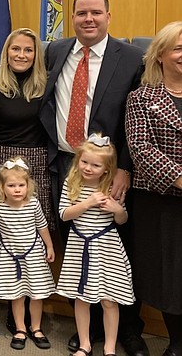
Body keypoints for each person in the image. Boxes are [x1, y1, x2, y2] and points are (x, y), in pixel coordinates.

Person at [40, 0, 149, 356]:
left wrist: (127, 169)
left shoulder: (132, 57)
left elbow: (138, 119)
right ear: (72, 17)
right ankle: (88, 331)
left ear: (108, 16)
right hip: (65, 165)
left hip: (111, 169)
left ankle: (130, 331)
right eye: (81, 13)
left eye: (96, 13)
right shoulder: (55, 51)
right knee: (77, 250)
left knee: (118, 249)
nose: (88, 19)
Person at [0, 28, 52, 334]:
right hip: (5, 165)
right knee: (7, 233)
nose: (21, 55)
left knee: (35, 232)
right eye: (15, 49)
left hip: (38, 165)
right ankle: (14, 306)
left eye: (28, 50)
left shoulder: (45, 86)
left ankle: (37, 305)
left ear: (36, 55)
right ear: (6, 53)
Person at [126, 20, 182, 356]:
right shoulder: (142, 97)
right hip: (160, 200)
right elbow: (140, 149)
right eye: (177, 47)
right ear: (159, 54)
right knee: (167, 274)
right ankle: (176, 342)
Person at [56, 134, 135, 356]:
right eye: (84, 162)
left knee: (109, 300)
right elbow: (64, 214)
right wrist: (88, 202)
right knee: (81, 298)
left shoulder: (111, 186)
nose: (88, 168)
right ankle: (85, 344)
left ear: (107, 168)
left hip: (106, 248)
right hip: (79, 247)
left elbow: (122, 219)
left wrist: (117, 209)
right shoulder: (71, 183)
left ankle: (110, 347)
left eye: (95, 165)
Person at [0, 157, 55, 351]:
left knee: (37, 294)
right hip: (10, 259)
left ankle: (36, 328)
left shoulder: (33, 204)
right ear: (2, 188)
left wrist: (50, 246)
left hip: (34, 255)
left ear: (28, 186)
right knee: (17, 295)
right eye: (11, 185)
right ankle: (20, 329)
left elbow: (42, 226)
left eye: (21, 185)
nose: (17, 189)